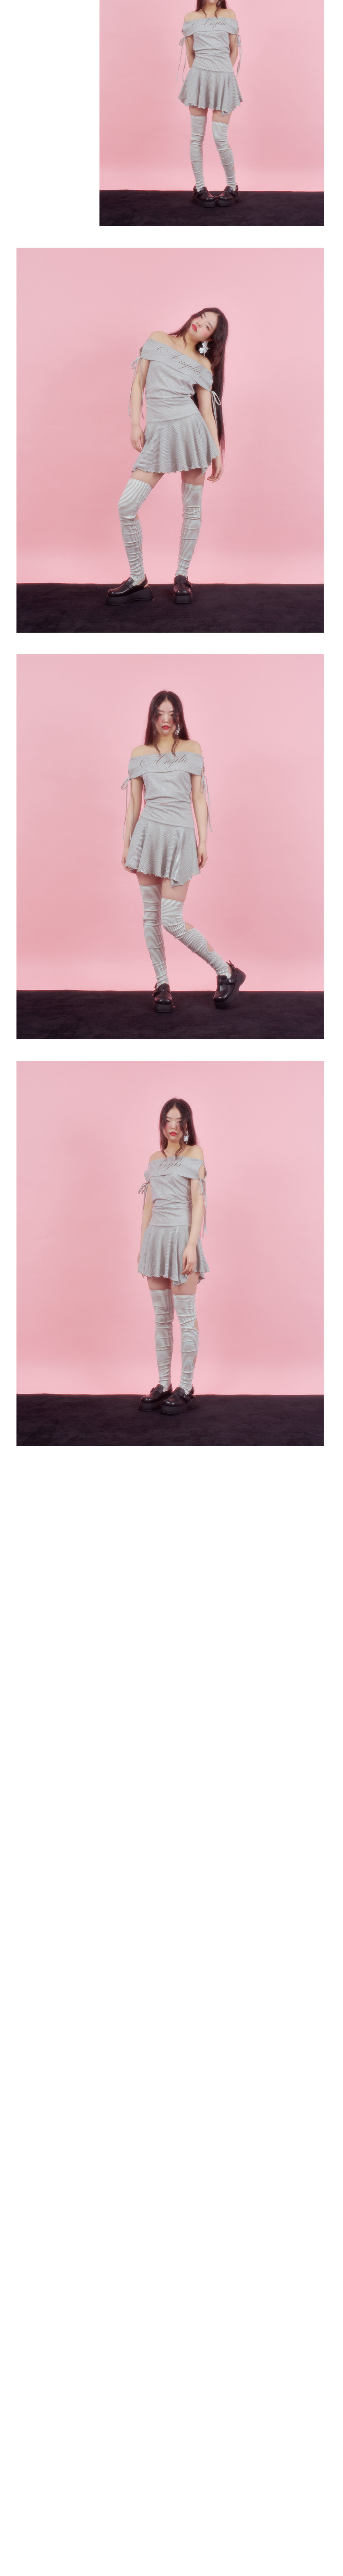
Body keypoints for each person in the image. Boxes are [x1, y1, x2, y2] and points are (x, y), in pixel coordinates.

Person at [122, 689, 245, 1009]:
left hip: (179, 838)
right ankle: (162, 984)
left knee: (172, 920)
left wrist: (203, 841)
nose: (166, 720)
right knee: (151, 917)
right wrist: (127, 844)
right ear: (152, 717)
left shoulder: (192, 749)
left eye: (172, 714)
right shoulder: (139, 753)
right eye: (160, 714)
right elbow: (134, 803)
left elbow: (199, 797)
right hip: (148, 837)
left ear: (179, 717)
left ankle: (226, 971)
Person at [107, 307, 227, 603]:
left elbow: (207, 412)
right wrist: (136, 424)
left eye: (208, 326)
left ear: (210, 339)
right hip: (159, 434)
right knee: (127, 506)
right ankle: (138, 579)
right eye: (201, 317)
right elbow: (139, 383)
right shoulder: (158, 339)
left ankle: (182, 577)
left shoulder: (203, 363)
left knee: (192, 510)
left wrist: (217, 452)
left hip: (191, 433)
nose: (200, 323)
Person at [138, 1098, 208, 1410]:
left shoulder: (195, 1153)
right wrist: (143, 1245)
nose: (173, 1127)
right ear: (162, 1124)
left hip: (181, 1238)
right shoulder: (155, 1159)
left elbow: (199, 1201)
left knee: (187, 1317)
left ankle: (187, 1387)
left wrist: (192, 1244)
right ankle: (164, 1384)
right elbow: (148, 1206)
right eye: (168, 1120)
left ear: (187, 1124)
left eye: (179, 1121)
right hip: (156, 1239)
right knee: (162, 1318)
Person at [178, 3, 241, 203]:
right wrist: (201, 75)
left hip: (224, 78)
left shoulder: (229, 14)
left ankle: (232, 186)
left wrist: (223, 72)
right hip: (198, 78)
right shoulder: (191, 17)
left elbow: (234, 50)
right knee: (197, 137)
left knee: (220, 137)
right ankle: (199, 188)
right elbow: (190, 53)